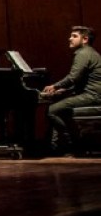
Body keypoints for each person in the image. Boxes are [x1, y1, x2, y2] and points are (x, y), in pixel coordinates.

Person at [42, 26, 101, 154]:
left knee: (51, 110)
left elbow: (73, 77)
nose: (70, 38)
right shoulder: (89, 52)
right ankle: (55, 146)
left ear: (85, 39)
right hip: (92, 93)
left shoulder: (83, 54)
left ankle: (71, 142)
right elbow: (82, 80)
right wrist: (64, 91)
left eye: (74, 36)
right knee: (59, 108)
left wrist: (55, 86)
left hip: (93, 96)